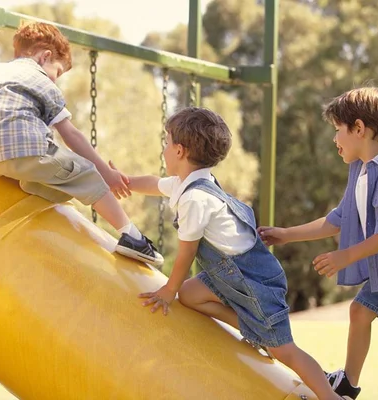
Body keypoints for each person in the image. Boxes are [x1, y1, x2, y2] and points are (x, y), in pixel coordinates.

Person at [123, 107, 342, 400]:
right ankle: (255, 332)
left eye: (166, 142)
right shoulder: (192, 183)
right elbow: (153, 183)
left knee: (285, 350)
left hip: (255, 282)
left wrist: (168, 290)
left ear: (179, 150)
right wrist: (121, 180)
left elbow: (187, 251)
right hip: (230, 277)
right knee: (190, 295)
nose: (163, 149)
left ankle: (332, 397)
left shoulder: (195, 198)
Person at [258, 87, 378, 400]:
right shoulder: (362, 171)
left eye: (338, 130)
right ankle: (348, 384)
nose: (335, 139)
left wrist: (344, 256)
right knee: (360, 312)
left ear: (360, 129)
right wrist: (285, 234)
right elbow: (339, 218)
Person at [0, 22, 162, 266]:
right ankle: (133, 237)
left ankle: (28, 185)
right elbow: (72, 135)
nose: (55, 80)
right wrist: (105, 172)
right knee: (87, 175)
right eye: (58, 72)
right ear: (45, 57)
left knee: (53, 181)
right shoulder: (44, 83)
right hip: (24, 149)